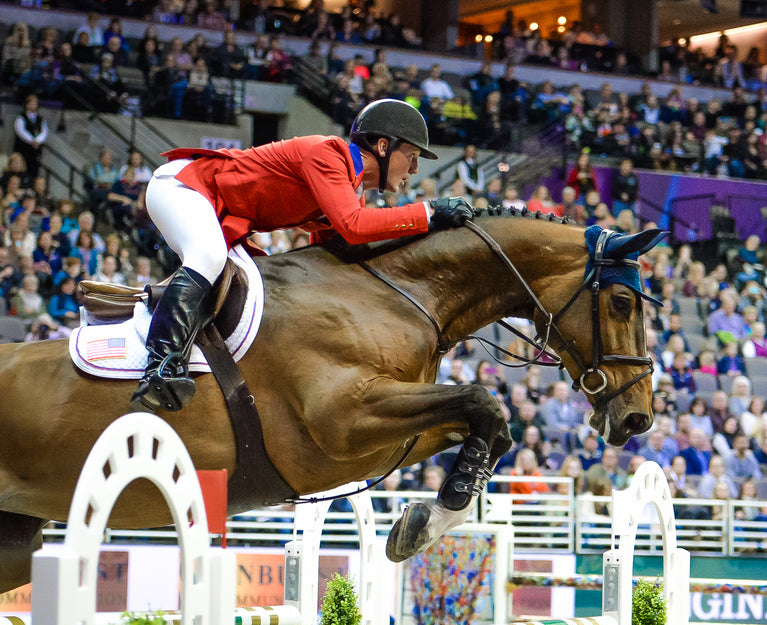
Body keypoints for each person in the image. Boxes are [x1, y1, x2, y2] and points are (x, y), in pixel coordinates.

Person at [130, 99, 473, 414]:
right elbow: (354, 227)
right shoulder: (327, 154)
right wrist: (427, 214)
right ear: (383, 146)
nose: (414, 169)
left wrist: (431, 236)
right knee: (208, 256)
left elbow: (339, 252)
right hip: (184, 187)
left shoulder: (348, 189)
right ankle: (160, 364)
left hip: (215, 210)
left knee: (244, 282)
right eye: (411, 155)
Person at [13, 94, 47, 181]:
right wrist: (32, 140)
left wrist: (38, 140)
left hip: (35, 149)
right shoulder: (21, 117)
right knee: (23, 166)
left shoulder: (40, 119)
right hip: (24, 148)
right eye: (30, 103)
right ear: (26, 104)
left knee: (35, 167)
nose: (32, 105)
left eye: (34, 103)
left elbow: (44, 132)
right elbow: (20, 131)